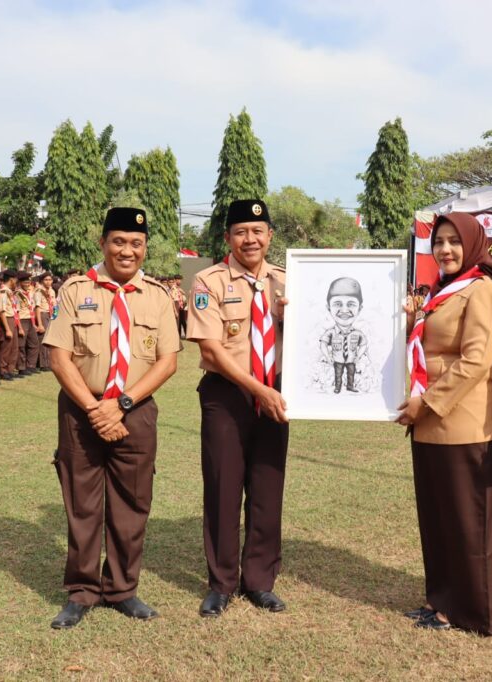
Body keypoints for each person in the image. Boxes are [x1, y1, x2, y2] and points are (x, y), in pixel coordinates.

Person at [43, 206, 181, 629]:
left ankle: (123, 589)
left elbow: (168, 361)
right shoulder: (75, 289)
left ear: (144, 248)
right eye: (118, 242)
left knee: (132, 504)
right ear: (103, 243)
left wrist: (119, 405)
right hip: (82, 408)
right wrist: (93, 408)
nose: (127, 251)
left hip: (134, 410)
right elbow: (58, 355)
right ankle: (83, 591)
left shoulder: (157, 296)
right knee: (82, 504)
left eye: (136, 244)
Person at [395, 212, 492, 635]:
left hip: (467, 424)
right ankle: (440, 600)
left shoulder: (482, 290)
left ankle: (477, 612)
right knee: (439, 518)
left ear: (473, 245)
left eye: (453, 242)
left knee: (469, 522)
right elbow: (426, 348)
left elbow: (476, 361)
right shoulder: (440, 292)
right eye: (439, 242)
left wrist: (426, 403)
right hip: (429, 424)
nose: (444, 250)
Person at [186, 199, 290, 618]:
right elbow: (211, 350)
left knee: (268, 489)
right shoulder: (208, 281)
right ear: (228, 238)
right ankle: (222, 583)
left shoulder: (287, 281)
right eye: (241, 231)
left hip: (276, 394)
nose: (251, 239)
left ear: (269, 236)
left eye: (258, 230)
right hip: (227, 395)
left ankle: (260, 581)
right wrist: (255, 389)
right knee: (223, 489)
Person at [0, 271, 23, 380]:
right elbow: (2, 311)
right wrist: (7, 329)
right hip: (7, 320)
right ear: (12, 279)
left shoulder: (11, 292)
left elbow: (16, 310)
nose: (16, 283)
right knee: (6, 347)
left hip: (13, 319)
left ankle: (10, 369)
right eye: (16, 280)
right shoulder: (3, 292)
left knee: (14, 347)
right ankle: (3, 370)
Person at [17, 272, 40, 374]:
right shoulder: (17, 294)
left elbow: (32, 308)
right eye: (25, 282)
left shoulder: (30, 293)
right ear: (20, 283)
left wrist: (34, 323)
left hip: (30, 320)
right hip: (22, 319)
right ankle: (22, 368)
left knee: (34, 343)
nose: (27, 284)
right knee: (21, 345)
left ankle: (31, 365)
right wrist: (19, 326)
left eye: (28, 282)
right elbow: (16, 311)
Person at [33, 272, 55, 370]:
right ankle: (43, 363)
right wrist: (40, 324)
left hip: (51, 315)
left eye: (50, 280)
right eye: (46, 280)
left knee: (50, 339)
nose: (48, 282)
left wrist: (55, 317)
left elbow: (55, 305)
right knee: (43, 339)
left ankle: (48, 361)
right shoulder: (38, 291)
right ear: (42, 281)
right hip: (42, 314)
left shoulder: (52, 291)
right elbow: (37, 307)